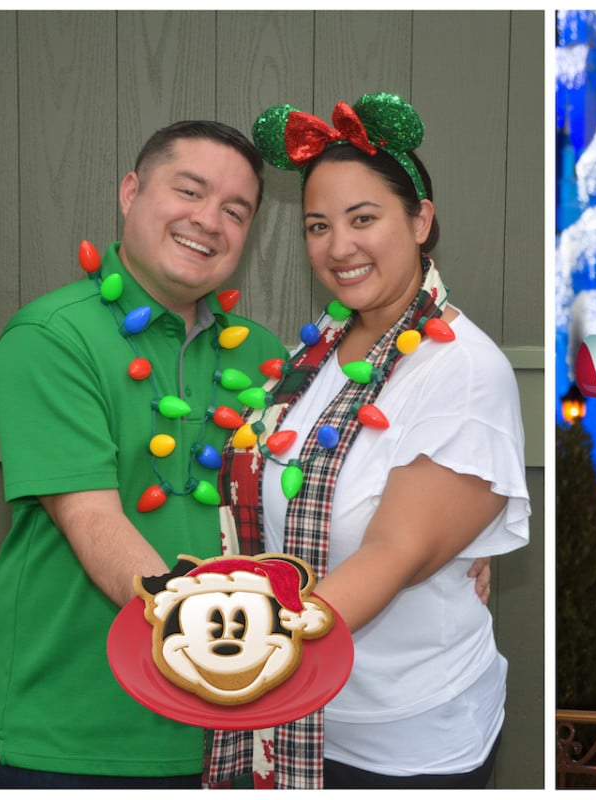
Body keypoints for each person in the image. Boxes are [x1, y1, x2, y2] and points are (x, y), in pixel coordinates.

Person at [204, 93, 530, 789]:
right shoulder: (319, 352)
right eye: (317, 226)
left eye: (363, 218)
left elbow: (394, 550)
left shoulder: (462, 369)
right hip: (294, 723)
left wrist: (244, 650)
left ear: (420, 220)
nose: (338, 246)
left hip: (403, 745)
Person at [0, 121, 289, 788]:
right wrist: (209, 641)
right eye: (190, 191)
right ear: (130, 193)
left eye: (235, 211)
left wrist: (464, 542)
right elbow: (92, 521)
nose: (209, 220)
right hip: (76, 741)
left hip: (230, 742)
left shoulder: (265, 355)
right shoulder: (51, 336)